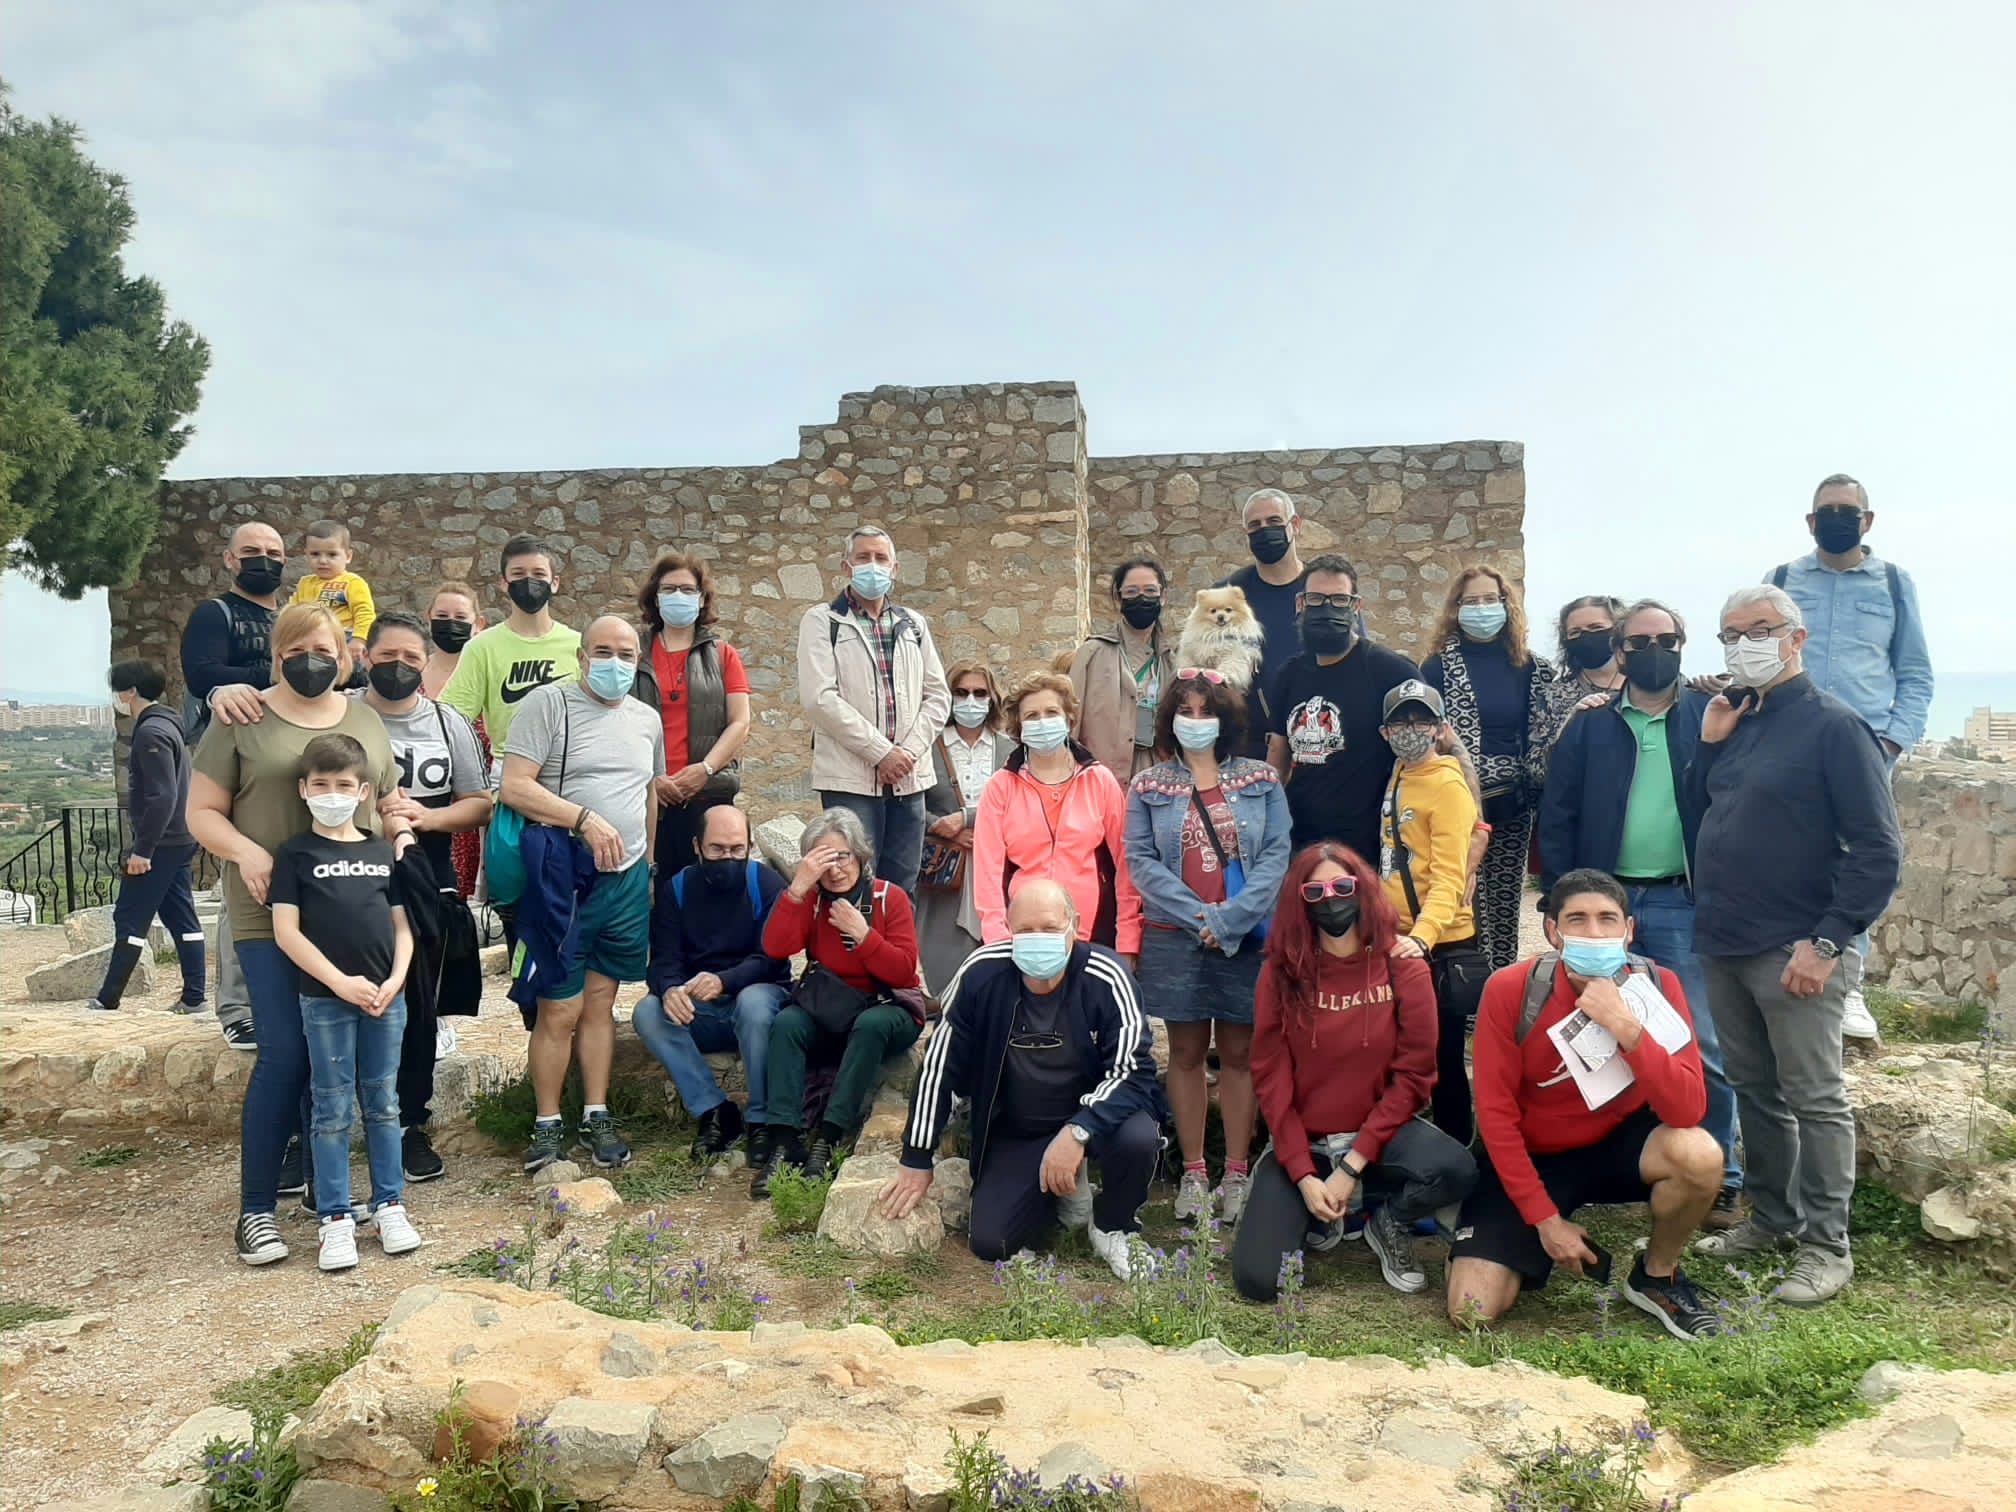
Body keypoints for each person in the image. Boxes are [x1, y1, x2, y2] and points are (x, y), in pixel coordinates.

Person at [1689, 585, 1902, 1305]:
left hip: (1795, 947)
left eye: (1760, 630)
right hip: (1724, 941)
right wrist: (1709, 743)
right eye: (1730, 634)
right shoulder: (1739, 720)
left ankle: (1825, 1246)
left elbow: (1878, 849)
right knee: (1755, 1091)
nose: (1744, 643)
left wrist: (1828, 942)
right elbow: (1704, 816)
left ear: (1796, 638)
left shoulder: (1837, 729)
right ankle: (1772, 1220)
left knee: (1815, 1098)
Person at [186, 603, 407, 1266]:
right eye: (298, 647)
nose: (314, 657)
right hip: (267, 913)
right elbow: (200, 812)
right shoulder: (241, 716)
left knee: (332, 1059)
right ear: (278, 653)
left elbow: (383, 795)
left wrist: (400, 826)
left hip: (350, 913)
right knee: (285, 1053)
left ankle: (325, 1194)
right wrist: (249, 854)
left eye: (327, 646)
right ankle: (255, 1210)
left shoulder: (363, 718)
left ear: (345, 653)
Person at [1447, 871, 1725, 1340]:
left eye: (1607, 920)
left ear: (1629, 930)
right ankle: (1501, 1231)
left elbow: (1688, 1111)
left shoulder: (1658, 984)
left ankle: (1658, 1275)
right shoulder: (1513, 989)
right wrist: (1546, 1221)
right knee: (1471, 1311)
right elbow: (1496, 1117)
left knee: (1699, 1153)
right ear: (1553, 931)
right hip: (1536, 1154)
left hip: (1620, 1144)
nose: (1594, 933)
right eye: (1577, 920)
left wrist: (1626, 1028)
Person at [1538, 600, 1744, 1224]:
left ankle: (1719, 1172)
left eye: (1668, 638)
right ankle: (1613, 1159)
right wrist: (1560, 901)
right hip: (1606, 907)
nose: (1655, 648)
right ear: (1620, 652)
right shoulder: (1590, 724)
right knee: (1595, 1032)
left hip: (1684, 898)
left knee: (1699, 1038)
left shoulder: (1708, 716)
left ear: (1684, 644)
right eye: (1640, 639)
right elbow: (1560, 813)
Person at [880, 880, 1163, 1280]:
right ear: (1008, 929)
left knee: (1139, 1137)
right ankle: (1061, 1193)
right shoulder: (982, 972)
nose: (1038, 939)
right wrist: (917, 1155)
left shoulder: (1107, 975)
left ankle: (1113, 1224)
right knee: (990, 1241)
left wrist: (1079, 1131)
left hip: (1099, 1121)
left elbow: (1133, 1069)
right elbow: (940, 1063)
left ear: (1074, 925)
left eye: (1049, 928)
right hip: (1020, 1127)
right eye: (1025, 930)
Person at [1233, 843, 1477, 1301]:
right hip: (1306, 1140)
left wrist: (1351, 1166)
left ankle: (1387, 1220)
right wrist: (1304, 1174)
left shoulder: (1402, 967)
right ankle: (1322, 1210)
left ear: (1363, 890)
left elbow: (1414, 1076)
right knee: (1259, 1281)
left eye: (1343, 886)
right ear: (1298, 901)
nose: (1331, 898)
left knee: (1457, 1169)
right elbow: (1269, 1076)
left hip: (1380, 1135)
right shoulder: (1280, 973)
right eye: (1316, 890)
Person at [1762, 474, 1932, 1045]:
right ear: (1810, 523)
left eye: (1848, 510)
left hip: (1862, 747)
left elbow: (1914, 674)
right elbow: (1758, 658)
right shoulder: (1782, 581)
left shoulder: (1893, 583)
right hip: (1788, 741)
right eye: (1826, 511)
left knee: (1858, 860)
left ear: (1868, 519)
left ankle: (1849, 985)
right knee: (1783, 856)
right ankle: (1777, 968)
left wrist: (1889, 743)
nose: (1837, 518)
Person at [1124, 668, 1291, 1223]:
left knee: (1241, 1056)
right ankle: (1195, 1172)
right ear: (1170, 718)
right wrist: (1201, 917)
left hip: (1243, 939)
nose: (1196, 721)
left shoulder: (1261, 780)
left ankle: (1238, 1172)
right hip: (1176, 939)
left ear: (1226, 719)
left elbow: (1275, 858)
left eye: (1206, 711)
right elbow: (1141, 861)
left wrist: (1230, 922)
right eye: (1185, 711)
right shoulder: (1148, 785)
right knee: (1188, 1053)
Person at [500, 616, 664, 1176]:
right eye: (602, 650)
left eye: (625, 653)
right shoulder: (549, 706)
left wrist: (648, 867)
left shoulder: (646, 718)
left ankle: (596, 1113)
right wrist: (584, 819)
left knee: (601, 1003)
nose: (614, 662)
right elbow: (515, 785)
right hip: (565, 880)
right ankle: (547, 1123)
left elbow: (648, 794)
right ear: (580, 655)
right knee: (559, 1006)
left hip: (624, 880)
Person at [268, 733, 421, 1271]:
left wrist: (395, 979)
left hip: (385, 999)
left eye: (343, 785)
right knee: (330, 1109)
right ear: (304, 789)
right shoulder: (294, 854)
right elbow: (287, 932)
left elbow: (403, 927)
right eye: (321, 784)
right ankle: (335, 1217)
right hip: (326, 1000)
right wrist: (339, 982)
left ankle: (390, 1204)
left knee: (384, 1104)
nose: (332, 793)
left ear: (363, 792)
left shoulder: (383, 851)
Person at [358, 612, 493, 1182]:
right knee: (330, 1002)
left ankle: (408, 1122)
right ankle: (315, 1129)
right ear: (365, 657)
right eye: (387, 656)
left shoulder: (447, 722)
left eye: (411, 659)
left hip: (425, 875)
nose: (399, 668)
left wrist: (430, 816)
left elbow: (480, 801)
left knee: (416, 1006)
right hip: (349, 875)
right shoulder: (342, 714)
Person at [752, 808, 924, 1197]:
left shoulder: (887, 897)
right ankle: (783, 1140)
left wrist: (863, 936)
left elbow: (902, 972)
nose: (835, 869)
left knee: (872, 1025)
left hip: (887, 1005)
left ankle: (827, 1140)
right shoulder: (811, 901)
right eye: (823, 859)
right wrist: (796, 890)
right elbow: (776, 948)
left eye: (842, 856)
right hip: (829, 1005)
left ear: (860, 855)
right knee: (787, 1024)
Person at [179, 519, 289, 1050]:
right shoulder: (214, 614)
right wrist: (267, 688)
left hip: (286, 750)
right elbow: (202, 673)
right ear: (229, 560)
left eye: (273, 552)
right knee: (242, 880)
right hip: (237, 754)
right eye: (252, 552)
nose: (263, 560)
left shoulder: (291, 619)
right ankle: (237, 1007)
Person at [797, 525, 953, 897]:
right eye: (863, 557)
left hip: (908, 779)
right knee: (850, 882)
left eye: (880, 558)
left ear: (895, 568)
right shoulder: (823, 621)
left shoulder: (913, 624)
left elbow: (938, 695)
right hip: (850, 780)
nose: (872, 566)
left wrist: (908, 753)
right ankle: (848, 954)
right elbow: (820, 698)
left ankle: (899, 956)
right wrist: (881, 752)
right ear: (846, 566)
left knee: (902, 887)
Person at [632, 805, 789, 1164]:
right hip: (700, 1008)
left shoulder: (765, 884)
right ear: (697, 846)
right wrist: (670, 988)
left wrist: (724, 980)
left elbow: (772, 958)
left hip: (758, 1002)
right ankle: (714, 1110)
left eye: (737, 849)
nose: (728, 858)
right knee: (648, 1011)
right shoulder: (677, 889)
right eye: (718, 849)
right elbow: (662, 960)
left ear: (749, 846)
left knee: (753, 1002)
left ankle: (762, 1119)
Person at [1421, 565, 1555, 971]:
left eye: (1490, 600)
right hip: (1455, 801)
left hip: (1511, 805)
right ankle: (1454, 995)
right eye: (1471, 601)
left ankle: (1493, 997)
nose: (1482, 608)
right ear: (1456, 609)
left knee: (1501, 901)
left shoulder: (1534, 667)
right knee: (1455, 894)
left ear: (1506, 604)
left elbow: (1546, 732)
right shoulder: (1437, 668)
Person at [1375, 680, 1488, 1144]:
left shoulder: (1446, 786)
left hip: (1438, 943)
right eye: (1401, 721)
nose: (1410, 730)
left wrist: (1421, 938)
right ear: (1385, 733)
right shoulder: (1401, 773)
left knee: (1442, 1059)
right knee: (1403, 1053)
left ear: (1441, 729)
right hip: (1399, 937)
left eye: (1421, 720)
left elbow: (1448, 878)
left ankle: (1457, 1155)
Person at [974, 670, 1142, 959]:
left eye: (1051, 712)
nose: (1043, 722)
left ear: (1068, 719)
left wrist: (1127, 940)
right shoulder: (1000, 787)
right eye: (1032, 716)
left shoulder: (1099, 780)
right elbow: (987, 875)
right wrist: (998, 943)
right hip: (1024, 936)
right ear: (1019, 726)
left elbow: (1126, 866)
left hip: (1095, 933)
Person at [1265, 554, 1418, 859]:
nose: (1327, 609)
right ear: (1300, 603)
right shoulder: (1288, 675)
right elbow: (1277, 763)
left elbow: (1439, 754)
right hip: (1302, 847)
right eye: (1316, 599)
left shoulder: (1393, 673)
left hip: (1373, 849)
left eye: (1338, 599)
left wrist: (1473, 829)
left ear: (1355, 606)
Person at [89, 660, 206, 1014]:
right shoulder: (169, 724)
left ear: (130, 692)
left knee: (130, 916)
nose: (117, 698)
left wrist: (143, 850)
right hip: (182, 835)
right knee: (180, 916)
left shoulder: (151, 733)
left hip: (163, 842)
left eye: (118, 690)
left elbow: (162, 796)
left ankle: (108, 999)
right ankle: (194, 996)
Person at [635, 550, 752, 868]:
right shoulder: (633, 654)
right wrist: (652, 779)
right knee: (653, 896)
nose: (678, 596)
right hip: (646, 798)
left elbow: (739, 722)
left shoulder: (723, 655)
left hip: (708, 796)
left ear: (702, 599)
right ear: (655, 598)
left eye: (687, 590)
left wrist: (706, 769)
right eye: (668, 589)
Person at [916, 662, 1014, 996]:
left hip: (997, 864)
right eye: (961, 693)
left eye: (979, 693)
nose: (970, 700)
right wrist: (946, 828)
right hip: (945, 865)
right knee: (943, 947)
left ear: (991, 699)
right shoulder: (926, 747)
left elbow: (1018, 802)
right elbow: (910, 804)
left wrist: (968, 818)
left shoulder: (1010, 750)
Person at [440, 534, 582, 756]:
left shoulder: (579, 645)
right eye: (518, 574)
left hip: (569, 770)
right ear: (503, 583)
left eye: (538, 574)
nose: (529, 581)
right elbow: (450, 719)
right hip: (507, 774)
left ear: (554, 583)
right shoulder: (482, 647)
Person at [1216, 488, 1309, 758]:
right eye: (1255, 525)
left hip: (1317, 744)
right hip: (1248, 753)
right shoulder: (1225, 598)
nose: (1264, 530)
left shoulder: (1324, 590)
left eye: (1274, 521)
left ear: (1296, 525)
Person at [1070, 558, 1177, 783]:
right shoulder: (1092, 654)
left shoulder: (1172, 661)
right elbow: (1071, 723)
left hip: (1158, 778)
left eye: (1150, 590)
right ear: (1118, 599)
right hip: (1101, 779)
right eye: (1131, 592)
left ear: (1163, 596)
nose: (1142, 598)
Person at [418, 582, 487, 899]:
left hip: (470, 818)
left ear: (478, 623)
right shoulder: (409, 672)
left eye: (460, 616)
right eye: (442, 615)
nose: (451, 624)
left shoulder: (487, 676)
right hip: (415, 811)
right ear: (428, 618)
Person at [1540, 595, 1626, 742]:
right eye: (1575, 632)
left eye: (1596, 628)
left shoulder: (1647, 687)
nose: (1586, 637)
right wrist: (1570, 725)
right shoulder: (1553, 695)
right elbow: (1534, 760)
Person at [289, 520, 377, 643]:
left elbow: (364, 614)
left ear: (348, 556)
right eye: (315, 554)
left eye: (332, 554)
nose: (323, 560)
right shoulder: (305, 583)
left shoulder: (352, 582)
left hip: (343, 637)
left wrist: (359, 640)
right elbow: (292, 612)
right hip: (310, 637)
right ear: (306, 555)